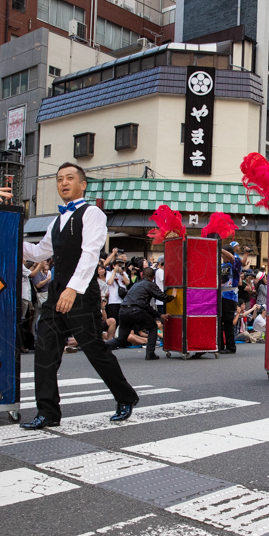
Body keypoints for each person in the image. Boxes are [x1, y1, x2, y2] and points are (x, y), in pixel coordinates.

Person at [20, 162, 141, 428]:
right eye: (60, 179)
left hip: (80, 293)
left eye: (70, 178)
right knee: (45, 351)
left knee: (94, 350)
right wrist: (13, 240)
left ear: (82, 184)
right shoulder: (56, 219)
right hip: (55, 295)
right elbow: (41, 252)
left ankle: (126, 396)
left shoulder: (93, 213)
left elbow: (90, 253)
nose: (63, 183)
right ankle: (48, 413)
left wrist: (73, 289)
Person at [112, 266, 174, 360]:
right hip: (135, 310)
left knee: (121, 338)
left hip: (123, 310)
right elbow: (163, 297)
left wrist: (159, 315)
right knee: (153, 327)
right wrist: (172, 296)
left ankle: (102, 347)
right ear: (153, 277)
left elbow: (145, 305)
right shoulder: (150, 284)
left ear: (142, 275)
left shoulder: (136, 285)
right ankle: (150, 354)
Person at [218, 242, 242, 354]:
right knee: (219, 321)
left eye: (223, 255)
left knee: (228, 322)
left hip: (230, 296)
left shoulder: (235, 262)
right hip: (220, 296)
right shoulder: (222, 265)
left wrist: (220, 248)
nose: (222, 257)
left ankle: (231, 347)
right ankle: (220, 345)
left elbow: (232, 257)